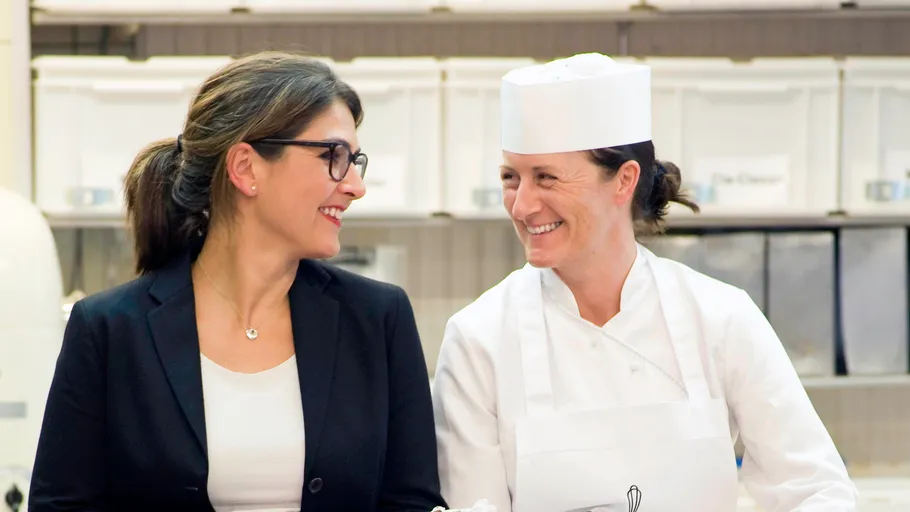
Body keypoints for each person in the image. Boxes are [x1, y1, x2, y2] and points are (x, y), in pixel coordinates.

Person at [431, 53, 858, 512]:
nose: (521, 206)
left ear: (624, 181)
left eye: (547, 178)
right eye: (511, 178)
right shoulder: (479, 340)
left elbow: (818, 490)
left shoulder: (720, 318)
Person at [29, 51, 446, 512]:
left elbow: (411, 502)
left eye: (355, 161)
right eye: (333, 156)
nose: (355, 186)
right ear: (246, 168)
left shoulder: (378, 319)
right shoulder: (110, 330)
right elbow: (61, 506)